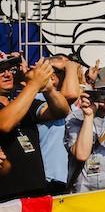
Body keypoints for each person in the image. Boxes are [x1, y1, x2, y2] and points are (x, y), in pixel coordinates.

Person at [0, 54, 71, 202]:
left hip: (37, 191)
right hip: (7, 197)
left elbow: (61, 111)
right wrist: (33, 84)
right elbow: (4, 124)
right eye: (0, 70)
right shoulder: (24, 98)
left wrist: (48, 89)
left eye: (9, 69)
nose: (7, 74)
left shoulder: (22, 101)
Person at [36, 54, 82, 194]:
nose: (69, 74)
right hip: (50, 180)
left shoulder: (74, 107)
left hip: (71, 181)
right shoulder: (39, 98)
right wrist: (71, 66)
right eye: (63, 71)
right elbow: (71, 94)